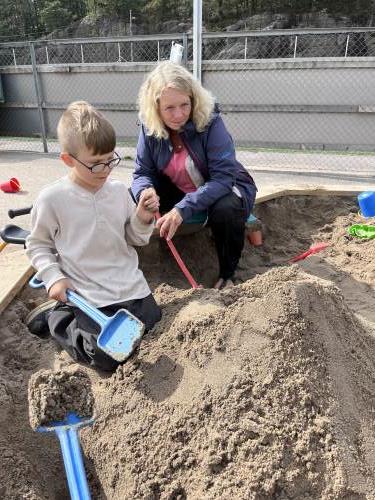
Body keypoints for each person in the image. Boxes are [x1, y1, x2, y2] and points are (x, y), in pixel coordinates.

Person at [25, 101, 161, 371]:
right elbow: (37, 244)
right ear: (68, 159)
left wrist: (143, 217)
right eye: (96, 164)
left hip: (129, 285)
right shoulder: (53, 199)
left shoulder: (119, 191)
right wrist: (55, 277)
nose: (106, 169)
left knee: (154, 328)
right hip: (88, 292)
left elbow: (134, 237)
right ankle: (60, 318)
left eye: (110, 159)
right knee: (107, 357)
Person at [131, 61, 257, 290]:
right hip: (181, 188)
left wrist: (183, 209)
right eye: (169, 108)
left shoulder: (210, 121)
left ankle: (228, 273)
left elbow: (223, 179)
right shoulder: (148, 127)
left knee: (227, 209)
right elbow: (142, 172)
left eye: (184, 105)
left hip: (223, 186)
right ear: (155, 107)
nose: (179, 115)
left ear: (193, 99)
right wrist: (144, 191)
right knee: (134, 196)